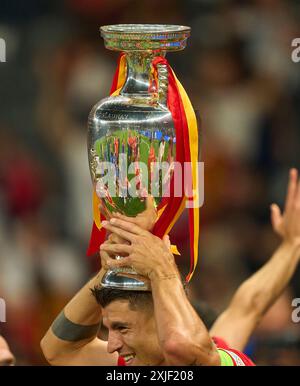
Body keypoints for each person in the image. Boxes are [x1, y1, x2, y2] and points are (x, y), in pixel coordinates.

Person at [40, 218, 253, 365]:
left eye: (122, 328)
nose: (111, 346)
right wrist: (112, 265)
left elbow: (181, 347)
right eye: (110, 329)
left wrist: (162, 269)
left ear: (159, 318)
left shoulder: (226, 361)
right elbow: (58, 349)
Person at [209, 168, 300, 351]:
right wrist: (292, 244)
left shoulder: (218, 354)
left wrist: (293, 244)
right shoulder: (216, 356)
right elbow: (250, 308)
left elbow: (250, 308)